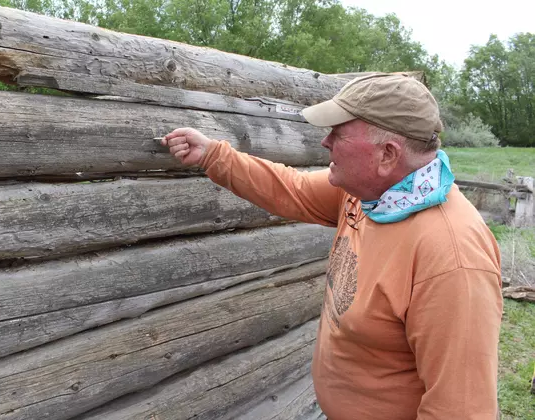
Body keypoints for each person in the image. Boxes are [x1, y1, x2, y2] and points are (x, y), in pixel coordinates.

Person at [161, 73, 503, 420]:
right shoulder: (370, 195)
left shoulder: (452, 256)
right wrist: (213, 154)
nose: (326, 142)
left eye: (338, 133)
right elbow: (291, 189)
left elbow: (461, 410)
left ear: (387, 155)